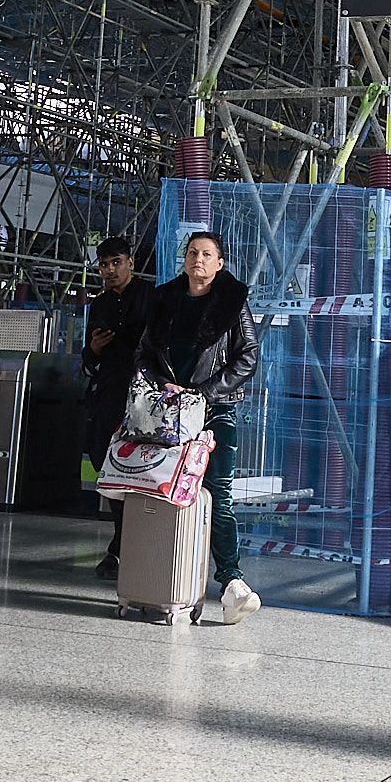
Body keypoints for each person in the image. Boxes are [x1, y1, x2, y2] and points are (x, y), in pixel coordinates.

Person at [138, 228, 263, 626]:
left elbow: (248, 357)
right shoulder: (165, 300)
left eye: (207, 254)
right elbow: (145, 353)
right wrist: (162, 389)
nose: (199, 260)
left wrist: (206, 393)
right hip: (168, 412)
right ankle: (161, 580)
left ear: (220, 262)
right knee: (162, 493)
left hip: (215, 410)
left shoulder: (232, 302)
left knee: (217, 494)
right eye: (193, 253)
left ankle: (231, 583)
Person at [79, 235, 152, 536]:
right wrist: (94, 349)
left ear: (130, 263)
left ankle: (130, 538)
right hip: (110, 392)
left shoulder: (150, 297)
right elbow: (87, 357)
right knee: (102, 456)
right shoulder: (100, 305)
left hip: (143, 394)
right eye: (104, 265)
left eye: (116, 263)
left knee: (140, 465)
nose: (110, 270)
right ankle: (120, 534)